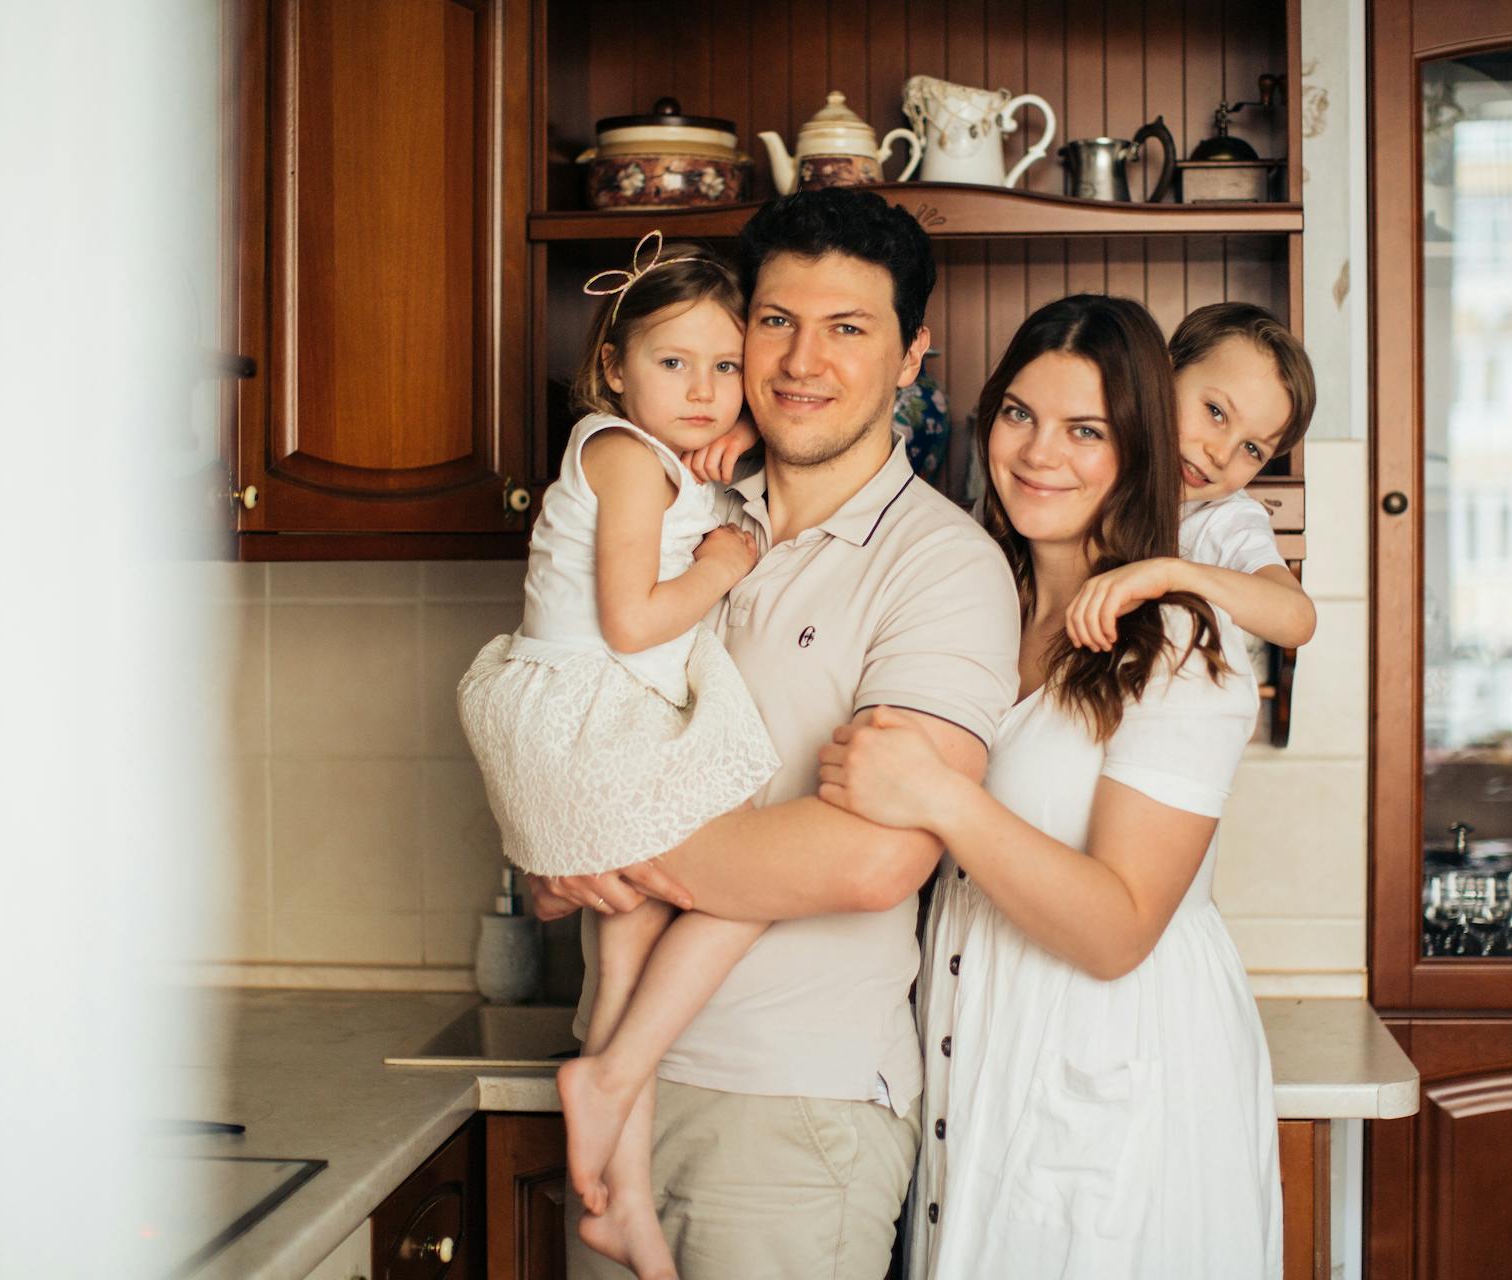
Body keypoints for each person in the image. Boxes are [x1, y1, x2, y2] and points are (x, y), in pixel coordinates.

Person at [529, 187, 1021, 1280]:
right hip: (616, 1076)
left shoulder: (942, 566)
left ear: (910, 356)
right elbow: (566, 715)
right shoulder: (669, 500)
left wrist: (603, 839)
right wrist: (547, 849)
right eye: (775, 321)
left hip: (791, 1114)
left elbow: (872, 856)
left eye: (849, 327)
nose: (803, 359)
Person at [817, 294, 1282, 1278]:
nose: (1040, 452)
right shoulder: (982, 599)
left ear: (1140, 449)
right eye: (1020, 414)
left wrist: (939, 795)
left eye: (1086, 429)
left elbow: (1118, 928)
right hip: (974, 1054)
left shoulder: (1184, 642)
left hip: (1119, 1074)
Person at [455, 233, 781, 1280]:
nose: (704, 389)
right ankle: (612, 1105)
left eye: (726, 366)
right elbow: (636, 621)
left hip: (578, 720)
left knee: (626, 953)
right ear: (613, 368)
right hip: (589, 715)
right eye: (673, 363)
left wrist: (740, 471)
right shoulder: (628, 456)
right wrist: (728, 556)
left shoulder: (658, 457)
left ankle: (621, 1196)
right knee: (758, 875)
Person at [1063, 301, 1318, 655]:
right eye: (1216, 412)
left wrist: (1169, 574)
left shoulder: (1223, 518)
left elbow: (1297, 619)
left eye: (1252, 449)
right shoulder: (1096, 457)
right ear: (1165, 374)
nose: (1221, 454)